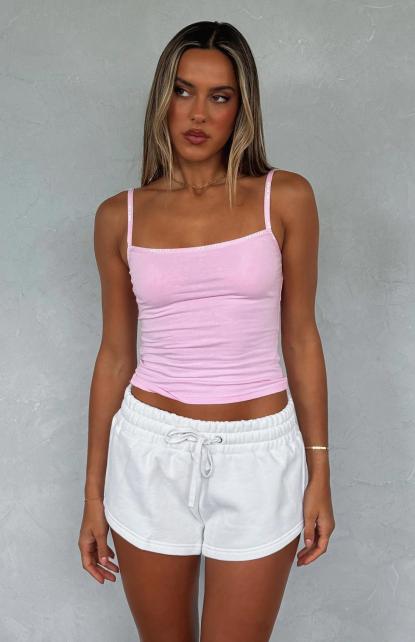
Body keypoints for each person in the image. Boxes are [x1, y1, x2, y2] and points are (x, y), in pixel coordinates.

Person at [78, 20, 335, 642]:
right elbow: (115, 356)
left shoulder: (285, 198)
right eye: (183, 91)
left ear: (241, 108)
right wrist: (92, 496)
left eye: (219, 96)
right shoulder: (119, 217)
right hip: (149, 452)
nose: (198, 114)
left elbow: (301, 338)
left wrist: (319, 470)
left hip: (259, 456)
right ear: (162, 99)